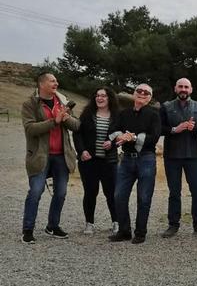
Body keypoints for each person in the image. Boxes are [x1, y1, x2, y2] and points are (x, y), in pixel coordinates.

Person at [21, 72, 80, 244]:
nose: (56, 83)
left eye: (56, 81)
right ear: (41, 84)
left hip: (61, 156)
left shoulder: (63, 101)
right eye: (52, 81)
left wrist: (65, 118)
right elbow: (30, 129)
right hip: (40, 156)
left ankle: (52, 226)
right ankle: (27, 230)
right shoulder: (30, 104)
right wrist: (54, 121)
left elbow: (77, 125)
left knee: (60, 193)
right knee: (36, 192)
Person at [160, 78, 197, 239]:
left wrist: (193, 128)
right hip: (172, 156)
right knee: (174, 191)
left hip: (193, 156)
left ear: (191, 89)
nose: (183, 89)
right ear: (175, 89)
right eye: (180, 86)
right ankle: (173, 224)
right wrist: (175, 129)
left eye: (186, 87)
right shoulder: (166, 107)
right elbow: (159, 129)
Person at [109, 84, 161, 244]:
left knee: (144, 197)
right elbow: (113, 130)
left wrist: (134, 138)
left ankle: (140, 232)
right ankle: (124, 231)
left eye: (146, 92)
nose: (142, 94)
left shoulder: (154, 115)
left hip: (146, 159)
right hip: (126, 159)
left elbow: (154, 137)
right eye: (139, 91)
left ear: (150, 98)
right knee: (119, 195)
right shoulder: (123, 113)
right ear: (134, 93)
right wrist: (121, 136)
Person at [73, 86, 120, 235]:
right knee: (90, 192)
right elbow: (77, 134)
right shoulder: (87, 114)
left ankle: (116, 222)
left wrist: (112, 143)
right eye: (97, 95)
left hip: (109, 161)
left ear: (109, 98)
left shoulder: (117, 116)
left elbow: (121, 136)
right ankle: (89, 223)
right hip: (89, 161)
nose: (100, 98)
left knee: (112, 193)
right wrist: (82, 151)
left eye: (103, 96)